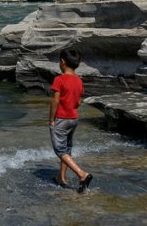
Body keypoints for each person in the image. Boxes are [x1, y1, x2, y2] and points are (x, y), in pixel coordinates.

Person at [49, 49, 93, 193]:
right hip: (73, 118)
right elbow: (79, 102)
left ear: (62, 62)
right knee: (67, 148)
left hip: (61, 119)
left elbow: (55, 101)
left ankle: (82, 174)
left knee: (60, 150)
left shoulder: (59, 79)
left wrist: (51, 119)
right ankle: (61, 178)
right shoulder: (79, 81)